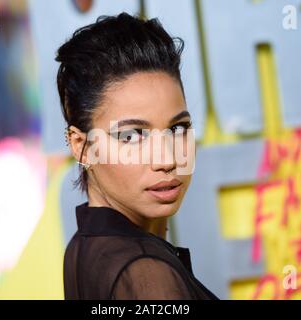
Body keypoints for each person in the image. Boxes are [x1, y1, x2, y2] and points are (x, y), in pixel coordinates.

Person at [56, 12, 219, 300]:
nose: (167, 160)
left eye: (177, 128)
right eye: (131, 136)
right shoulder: (146, 275)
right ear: (82, 146)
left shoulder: (86, 244)